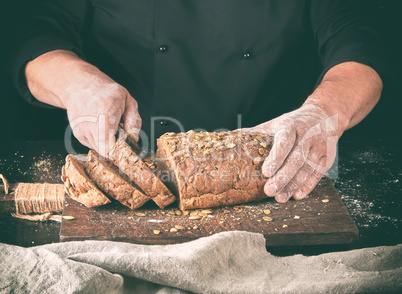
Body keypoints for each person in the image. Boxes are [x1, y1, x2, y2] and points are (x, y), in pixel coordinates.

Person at [10, 0, 389, 203]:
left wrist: (322, 113)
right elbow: (32, 34)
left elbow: (362, 43)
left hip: (276, 167)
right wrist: (79, 83)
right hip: (133, 147)